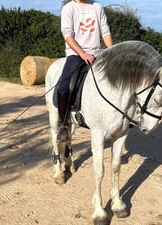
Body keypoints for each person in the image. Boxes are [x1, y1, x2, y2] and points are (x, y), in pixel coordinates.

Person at [56, 0, 113, 141]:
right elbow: (68, 36)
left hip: (97, 53)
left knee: (119, 77)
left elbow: (105, 31)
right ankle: (63, 125)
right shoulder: (69, 8)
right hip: (76, 54)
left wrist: (112, 52)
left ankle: (121, 116)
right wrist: (82, 54)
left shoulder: (97, 7)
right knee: (63, 87)